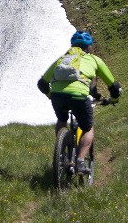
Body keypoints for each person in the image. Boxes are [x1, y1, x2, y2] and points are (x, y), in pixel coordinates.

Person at [37, 30, 122, 175]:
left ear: (73, 45)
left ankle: (61, 152)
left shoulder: (62, 59)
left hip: (58, 96)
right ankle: (80, 162)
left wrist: (52, 95)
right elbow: (114, 87)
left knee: (62, 119)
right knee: (88, 128)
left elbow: (42, 84)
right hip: (79, 97)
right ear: (89, 47)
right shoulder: (94, 60)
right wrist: (113, 99)